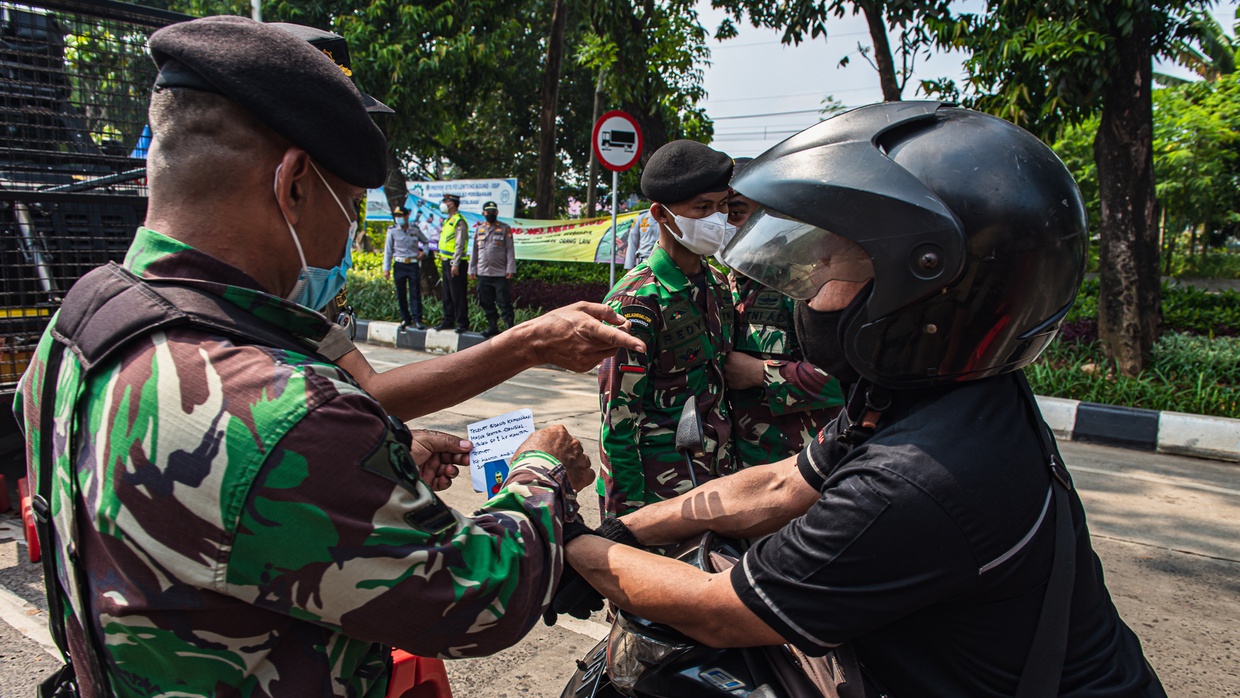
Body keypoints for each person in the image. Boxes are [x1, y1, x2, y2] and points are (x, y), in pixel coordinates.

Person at [13, 17, 633, 696]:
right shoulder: (279, 407)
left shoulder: (83, 322)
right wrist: (540, 470)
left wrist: (372, 460)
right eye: (353, 202)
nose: (350, 231)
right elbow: (478, 597)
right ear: (295, 183)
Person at [564, 103, 1166, 696]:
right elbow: (777, 486)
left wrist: (570, 551)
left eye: (829, 261)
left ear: (916, 283)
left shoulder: (916, 478)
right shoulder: (932, 398)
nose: (808, 286)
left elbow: (720, 611)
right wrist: (623, 530)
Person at [596, 139, 737, 519]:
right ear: (661, 214)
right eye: (702, 208)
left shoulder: (717, 285)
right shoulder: (636, 302)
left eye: (723, 205)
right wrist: (626, 520)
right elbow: (617, 424)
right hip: (659, 493)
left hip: (717, 479)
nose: (717, 218)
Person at [723, 158, 844, 466]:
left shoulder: (806, 284)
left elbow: (844, 378)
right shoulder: (720, 285)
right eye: (716, 212)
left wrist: (759, 373)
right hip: (735, 465)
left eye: (735, 213)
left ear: (770, 216)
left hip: (797, 466)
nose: (723, 224)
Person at [469, 200, 516, 338]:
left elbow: (510, 250)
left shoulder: (504, 228)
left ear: (497, 212)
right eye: (488, 212)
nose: (491, 214)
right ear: (483, 213)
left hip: (500, 272)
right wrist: (472, 269)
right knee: (485, 301)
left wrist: (510, 269)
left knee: (504, 301)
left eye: (493, 212)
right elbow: (474, 251)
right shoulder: (479, 229)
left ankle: (509, 329)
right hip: (483, 272)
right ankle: (492, 326)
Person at [383, 203, 428, 330]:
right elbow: (388, 250)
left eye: (401, 215)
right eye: (396, 216)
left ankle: (417, 319)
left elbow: (426, 242)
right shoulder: (392, 230)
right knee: (401, 293)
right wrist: (386, 268)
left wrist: (424, 253)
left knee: (415, 293)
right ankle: (405, 318)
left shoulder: (415, 229)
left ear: (407, 215)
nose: (398, 218)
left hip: (413, 264)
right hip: (399, 264)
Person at [436, 193, 470, 332]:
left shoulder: (459, 221)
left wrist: (455, 263)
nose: (443, 203)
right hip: (446, 261)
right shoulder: (448, 221)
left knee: (458, 294)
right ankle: (448, 320)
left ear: (453, 204)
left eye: (446, 201)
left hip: (456, 263)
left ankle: (462, 322)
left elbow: (460, 244)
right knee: (447, 294)